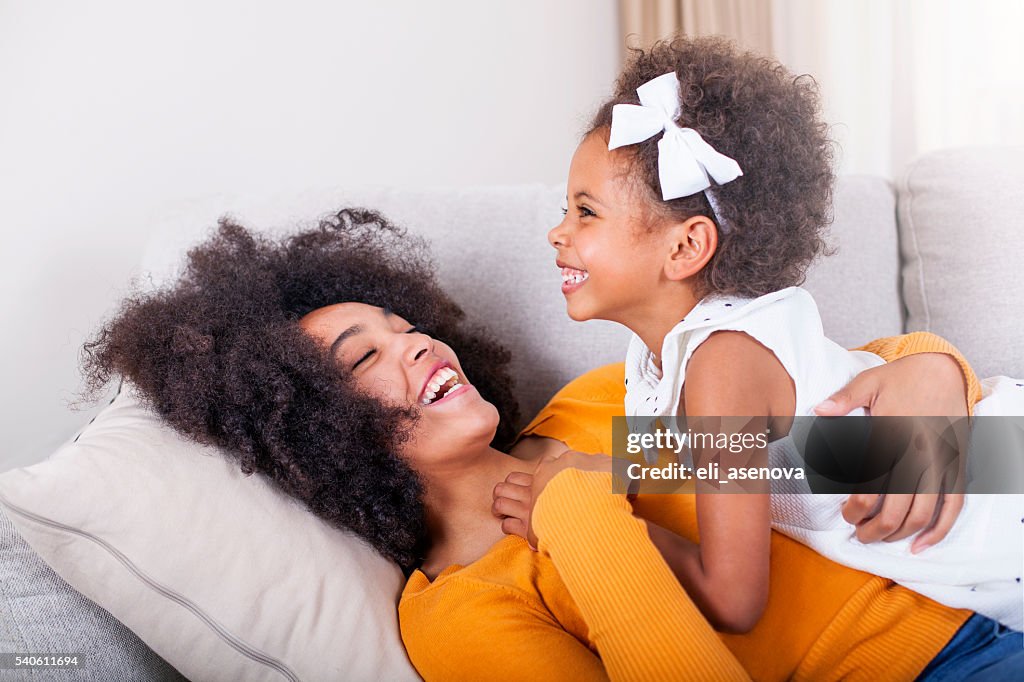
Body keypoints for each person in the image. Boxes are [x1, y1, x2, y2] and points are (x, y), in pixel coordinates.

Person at [86, 209, 1012, 679]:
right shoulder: (456, 615)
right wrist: (582, 515)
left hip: (985, 560)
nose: (415, 342)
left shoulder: (591, 407)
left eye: (401, 323)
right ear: (311, 429)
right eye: (366, 353)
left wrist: (932, 368)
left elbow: (815, 407)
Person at [495, 35, 1023, 640]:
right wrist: (610, 471)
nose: (557, 234)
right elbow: (720, 470)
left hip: (1002, 498)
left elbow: (734, 598)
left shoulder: (724, 362)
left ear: (686, 247)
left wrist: (576, 516)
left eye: (585, 212)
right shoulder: (663, 358)